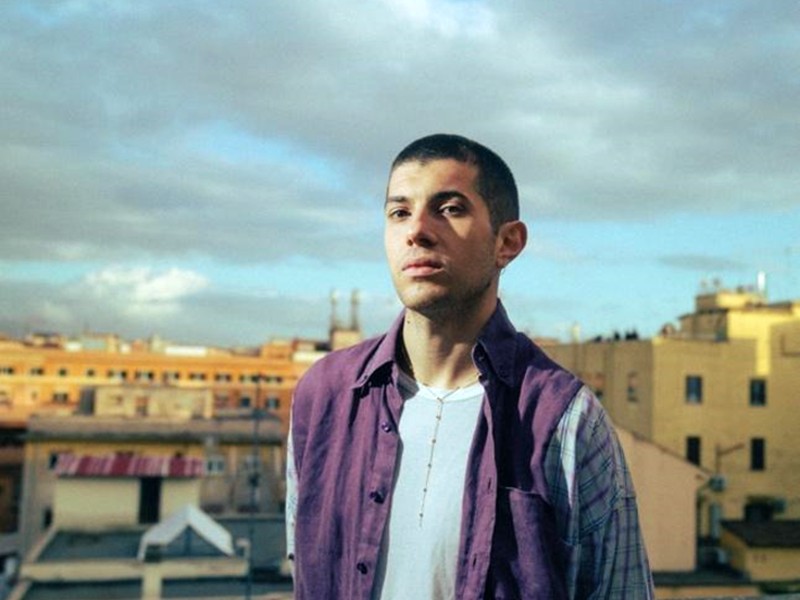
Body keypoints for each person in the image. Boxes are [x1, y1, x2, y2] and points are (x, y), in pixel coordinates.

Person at [286, 133, 654, 599]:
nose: (417, 230)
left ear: (507, 242)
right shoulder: (324, 396)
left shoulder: (564, 419)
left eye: (449, 208)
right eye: (399, 213)